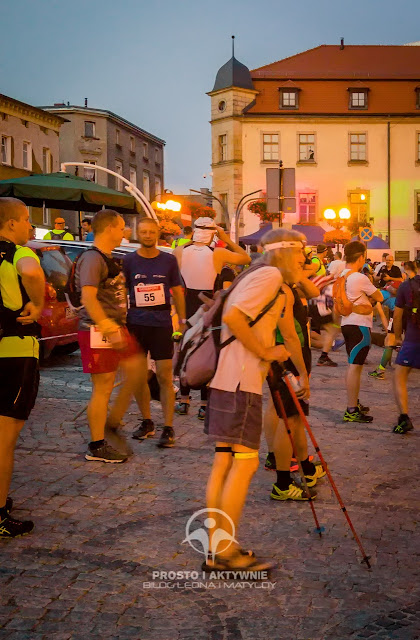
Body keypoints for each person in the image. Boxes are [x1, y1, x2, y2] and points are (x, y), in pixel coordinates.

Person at [203, 228, 306, 572]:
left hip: (224, 379)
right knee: (244, 464)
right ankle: (225, 552)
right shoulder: (271, 275)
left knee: (224, 463)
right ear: (286, 254)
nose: (305, 262)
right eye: (302, 256)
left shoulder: (256, 273)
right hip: (240, 381)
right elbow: (235, 318)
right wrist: (265, 350)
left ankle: (216, 545)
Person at [75, 209, 142, 463]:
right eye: (122, 227)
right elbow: (88, 298)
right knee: (102, 388)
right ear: (110, 228)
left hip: (113, 327)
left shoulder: (107, 257)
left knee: (137, 370)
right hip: (98, 329)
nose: (125, 231)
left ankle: (111, 422)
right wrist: (106, 326)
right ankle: (97, 444)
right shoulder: (93, 258)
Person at [113, 216, 186, 448]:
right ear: (137, 233)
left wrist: (182, 321)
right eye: (143, 232)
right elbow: (120, 290)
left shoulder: (168, 260)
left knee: (164, 375)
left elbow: (177, 290)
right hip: (136, 322)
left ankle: (168, 426)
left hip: (161, 322)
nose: (147, 236)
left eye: (151, 232)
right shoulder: (129, 260)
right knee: (139, 376)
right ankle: (147, 421)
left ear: (157, 234)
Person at [173, 217, 251, 419]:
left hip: (186, 302)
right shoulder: (218, 253)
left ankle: (184, 399)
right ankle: (204, 404)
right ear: (213, 233)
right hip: (208, 304)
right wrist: (227, 238)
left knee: (185, 348)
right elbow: (245, 258)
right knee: (208, 351)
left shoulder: (180, 251)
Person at [0, 198, 45, 537]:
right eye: (27, 220)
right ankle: (0, 514)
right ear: (12, 224)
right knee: (5, 437)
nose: (31, 227)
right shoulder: (18, 252)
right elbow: (31, 271)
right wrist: (39, 303)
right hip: (14, 349)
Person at [264, 264, 325, 501]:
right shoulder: (283, 290)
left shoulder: (286, 284)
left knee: (297, 417)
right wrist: (301, 371)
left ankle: (306, 469)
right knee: (288, 419)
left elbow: (312, 292)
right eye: (298, 257)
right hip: (289, 356)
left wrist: (297, 274)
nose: (304, 261)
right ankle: (282, 483)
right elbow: (289, 334)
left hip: (289, 354)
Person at [340, 241, 383, 423]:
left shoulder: (341, 275)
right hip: (360, 326)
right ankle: (351, 409)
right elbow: (379, 296)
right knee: (355, 368)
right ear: (360, 257)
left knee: (352, 366)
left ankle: (353, 403)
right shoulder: (359, 277)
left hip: (346, 323)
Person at [392, 259, 420, 434]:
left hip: (413, 338)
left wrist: (396, 337)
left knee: (400, 375)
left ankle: (404, 417)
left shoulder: (406, 286)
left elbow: (397, 316)